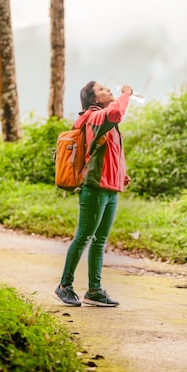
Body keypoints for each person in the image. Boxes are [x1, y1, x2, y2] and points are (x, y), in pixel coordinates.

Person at [53, 81, 133, 307]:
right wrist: (125, 93)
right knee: (83, 237)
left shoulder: (107, 122)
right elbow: (117, 111)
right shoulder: (94, 117)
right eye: (102, 89)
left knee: (99, 241)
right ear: (94, 99)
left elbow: (112, 153)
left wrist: (121, 175)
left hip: (110, 189)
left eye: (108, 88)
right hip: (94, 188)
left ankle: (94, 291)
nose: (108, 90)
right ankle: (63, 287)